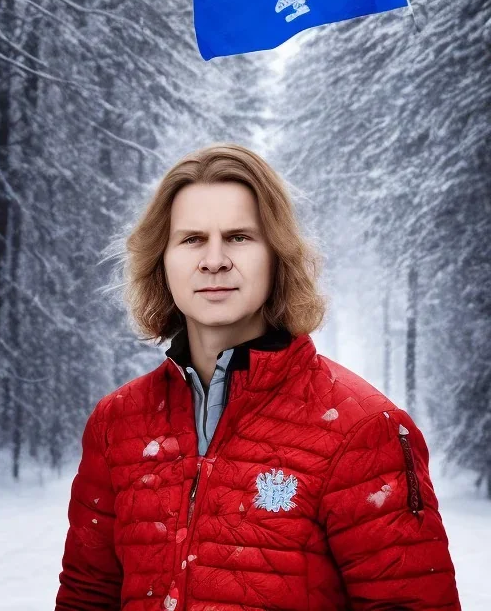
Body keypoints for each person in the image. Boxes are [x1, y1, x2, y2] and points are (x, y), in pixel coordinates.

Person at [55, 143, 461, 611]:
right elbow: (87, 595)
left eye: (239, 237)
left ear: (277, 256)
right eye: (191, 239)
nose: (214, 260)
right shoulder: (117, 423)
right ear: (161, 261)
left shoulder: (366, 430)